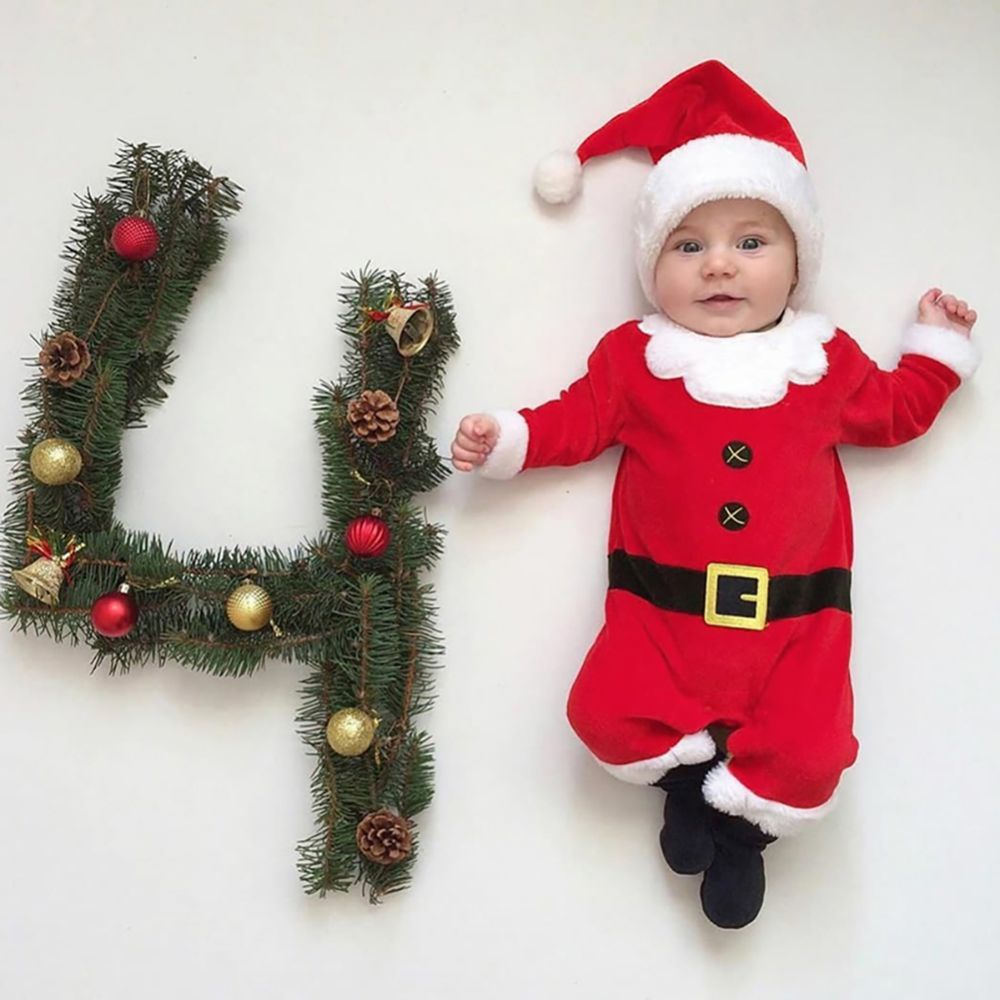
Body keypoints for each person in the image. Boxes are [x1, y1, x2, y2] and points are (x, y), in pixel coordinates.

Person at [450, 61, 979, 929]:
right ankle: (691, 783)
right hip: (659, 615)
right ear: (653, 265)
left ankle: (745, 838)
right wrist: (506, 436)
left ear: (797, 259)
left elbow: (896, 411)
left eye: (751, 242)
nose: (719, 266)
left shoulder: (824, 360)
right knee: (604, 711)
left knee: (811, 752)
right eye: (688, 246)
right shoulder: (637, 359)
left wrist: (935, 351)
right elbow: (575, 421)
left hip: (800, 624)